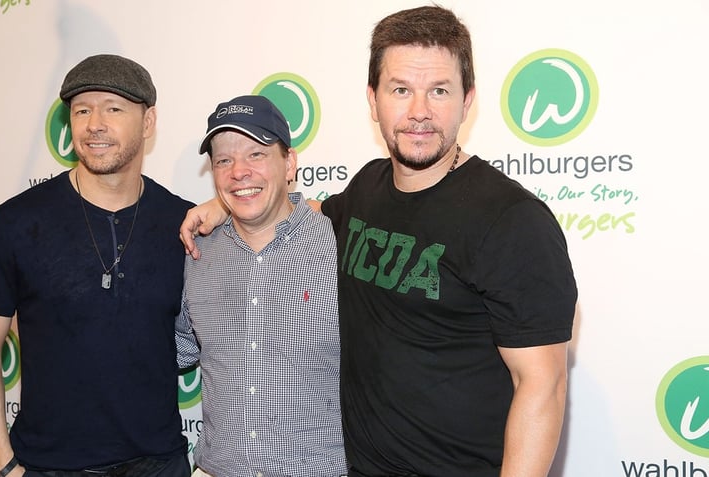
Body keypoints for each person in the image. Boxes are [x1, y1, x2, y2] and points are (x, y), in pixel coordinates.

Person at [179, 6, 577, 477]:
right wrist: (227, 203)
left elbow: (543, 385)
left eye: (440, 91)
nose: (419, 112)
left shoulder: (512, 220)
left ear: (468, 100)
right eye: (401, 90)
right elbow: (294, 211)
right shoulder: (369, 187)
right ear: (373, 100)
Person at [0, 54, 193, 477]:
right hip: (49, 465)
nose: (94, 124)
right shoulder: (16, 222)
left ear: (148, 122)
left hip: (159, 463)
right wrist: (1, 464)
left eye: (114, 108)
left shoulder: (185, 224)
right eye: (82, 110)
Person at [175, 95, 346, 477]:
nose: (238, 171)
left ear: (289, 163)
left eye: (255, 154)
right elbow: (175, 349)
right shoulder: (196, 252)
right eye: (223, 160)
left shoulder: (340, 242)